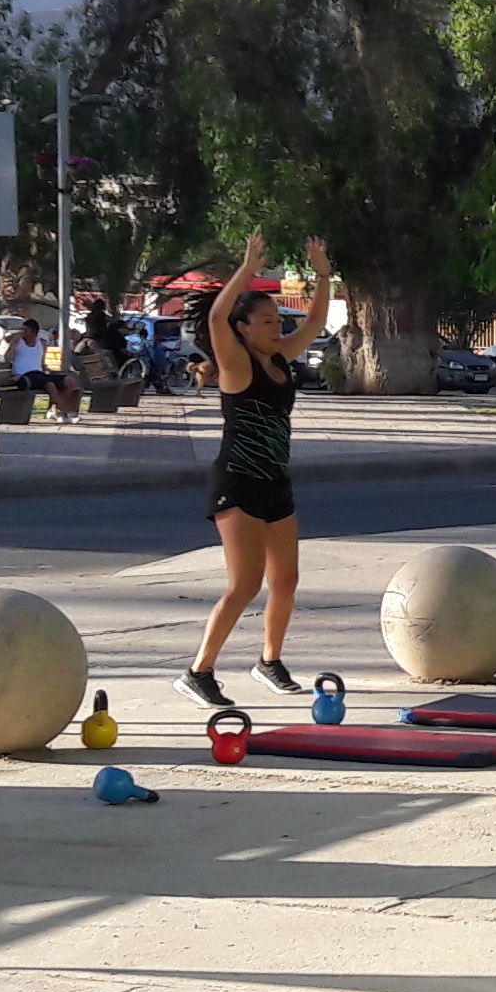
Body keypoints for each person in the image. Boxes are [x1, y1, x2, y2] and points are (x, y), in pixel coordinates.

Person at [178, 230, 331, 708]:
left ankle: (270, 661)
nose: (275, 326)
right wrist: (246, 269)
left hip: (275, 481)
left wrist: (322, 274)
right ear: (243, 328)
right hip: (238, 482)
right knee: (244, 584)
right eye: (265, 320)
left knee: (285, 580)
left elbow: (316, 320)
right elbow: (216, 317)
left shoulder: (279, 359)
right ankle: (198, 672)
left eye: (276, 319)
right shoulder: (236, 364)